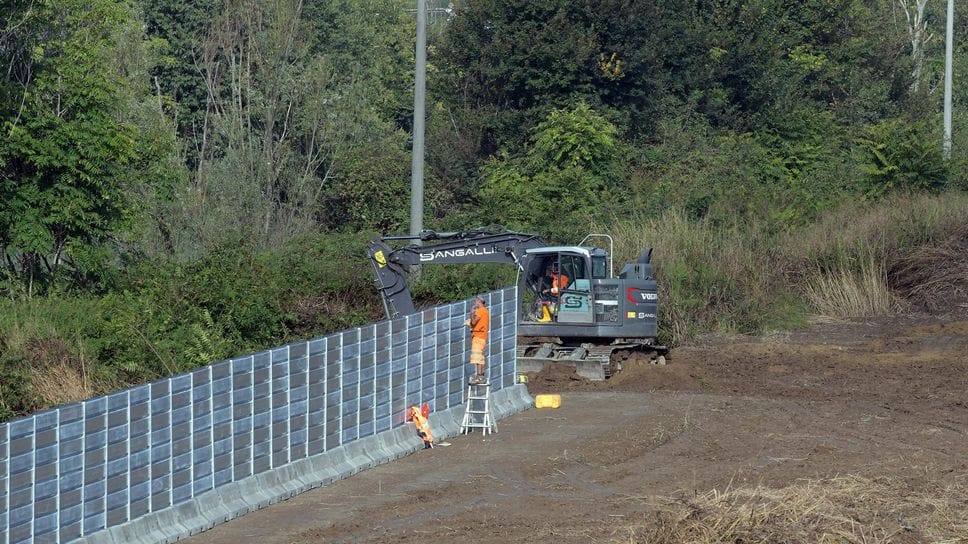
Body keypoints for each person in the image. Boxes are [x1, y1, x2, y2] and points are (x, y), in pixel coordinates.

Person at [466, 296, 490, 384]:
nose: (475, 303)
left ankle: (479, 377)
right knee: (481, 357)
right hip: (482, 337)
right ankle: (481, 376)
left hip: (478, 337)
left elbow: (474, 322)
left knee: (477, 357)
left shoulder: (481, 311)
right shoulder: (485, 311)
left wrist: (472, 314)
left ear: (479, 301)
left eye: (475, 301)